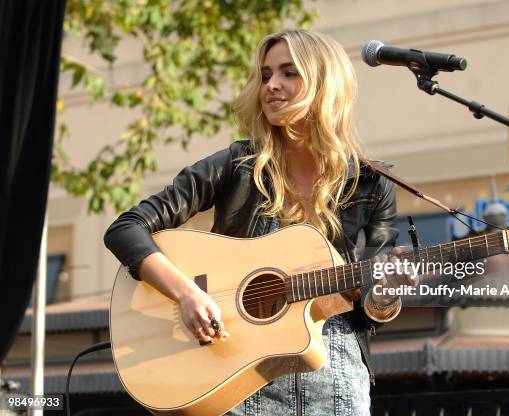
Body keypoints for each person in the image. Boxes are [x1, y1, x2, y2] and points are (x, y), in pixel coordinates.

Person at [104, 29, 410, 416]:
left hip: (334, 383)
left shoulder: (370, 182)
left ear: (324, 84)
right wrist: (186, 294)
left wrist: (384, 295)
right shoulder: (236, 166)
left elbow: (370, 306)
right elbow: (126, 227)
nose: (272, 86)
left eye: (288, 73)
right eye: (265, 75)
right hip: (237, 375)